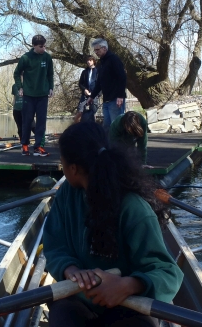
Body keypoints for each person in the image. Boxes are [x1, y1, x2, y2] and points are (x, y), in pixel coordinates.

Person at [43, 122, 183, 327]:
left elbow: (168, 273)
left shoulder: (134, 209)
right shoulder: (66, 195)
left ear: (72, 168)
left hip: (128, 305)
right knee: (62, 312)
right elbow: (55, 243)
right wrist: (70, 269)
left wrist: (127, 285)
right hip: (80, 300)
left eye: (61, 162)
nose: (61, 167)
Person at [13, 35, 54, 157]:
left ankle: (39, 147)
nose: (44, 49)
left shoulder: (47, 58)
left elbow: (50, 74)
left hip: (42, 95)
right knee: (27, 121)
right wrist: (20, 87)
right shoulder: (26, 58)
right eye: (41, 47)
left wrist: (51, 87)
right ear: (34, 46)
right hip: (29, 95)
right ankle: (25, 145)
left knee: (41, 122)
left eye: (45, 46)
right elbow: (16, 73)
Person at [87, 39, 127, 129]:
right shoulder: (101, 63)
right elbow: (99, 82)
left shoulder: (114, 59)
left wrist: (120, 95)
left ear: (104, 48)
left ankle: (120, 143)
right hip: (106, 100)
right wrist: (92, 96)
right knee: (107, 128)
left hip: (116, 100)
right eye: (95, 50)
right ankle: (109, 143)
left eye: (97, 50)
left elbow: (122, 77)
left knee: (117, 127)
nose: (96, 52)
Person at [76, 56, 100, 123]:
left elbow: (101, 84)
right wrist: (84, 90)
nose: (88, 62)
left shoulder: (98, 71)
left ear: (93, 61)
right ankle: (75, 129)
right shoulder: (84, 72)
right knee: (80, 112)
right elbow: (80, 84)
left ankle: (93, 131)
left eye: (90, 60)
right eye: (87, 60)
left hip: (94, 95)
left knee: (93, 113)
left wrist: (97, 95)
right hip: (84, 95)